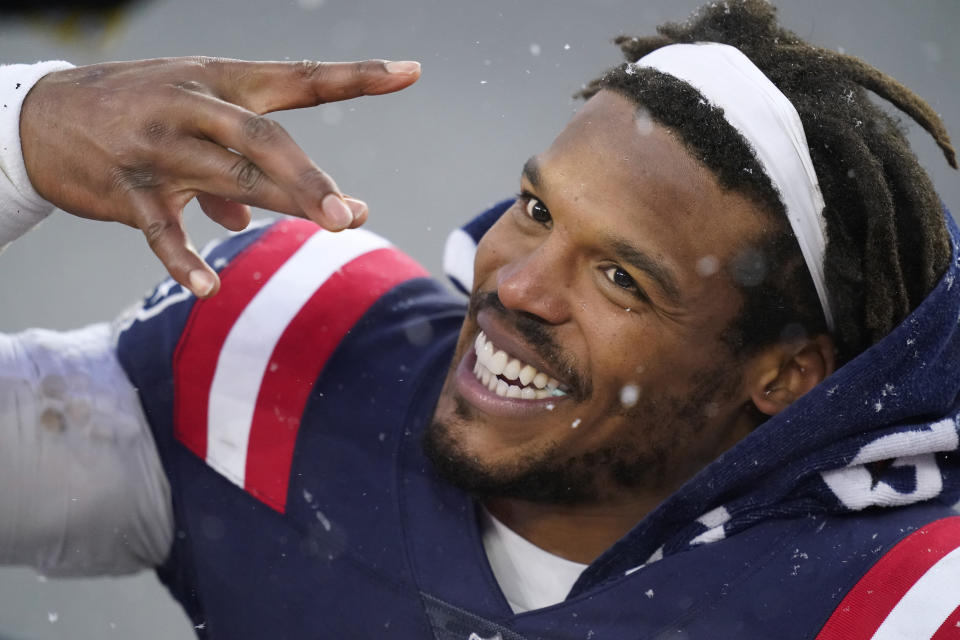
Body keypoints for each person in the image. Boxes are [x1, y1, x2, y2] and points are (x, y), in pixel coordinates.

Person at [2, 1, 959, 637]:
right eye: (538, 211)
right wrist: (19, 139)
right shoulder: (293, 364)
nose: (519, 288)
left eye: (621, 276)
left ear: (786, 373)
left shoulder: (898, 606)